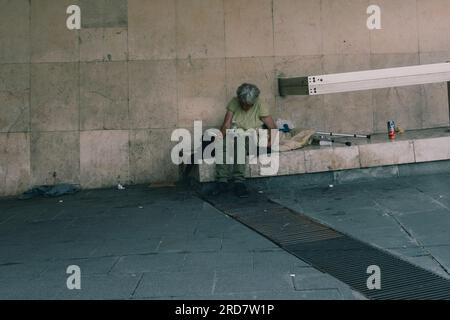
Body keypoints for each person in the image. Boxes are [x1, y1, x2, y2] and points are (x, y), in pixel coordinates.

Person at [212, 83, 277, 197]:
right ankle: (222, 181)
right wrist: (218, 140)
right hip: (235, 133)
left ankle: (239, 182)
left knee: (240, 144)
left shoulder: (260, 105)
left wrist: (269, 143)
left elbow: (273, 127)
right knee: (222, 144)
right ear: (239, 99)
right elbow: (226, 125)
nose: (245, 107)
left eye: (249, 105)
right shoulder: (234, 102)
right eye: (243, 104)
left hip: (252, 135)